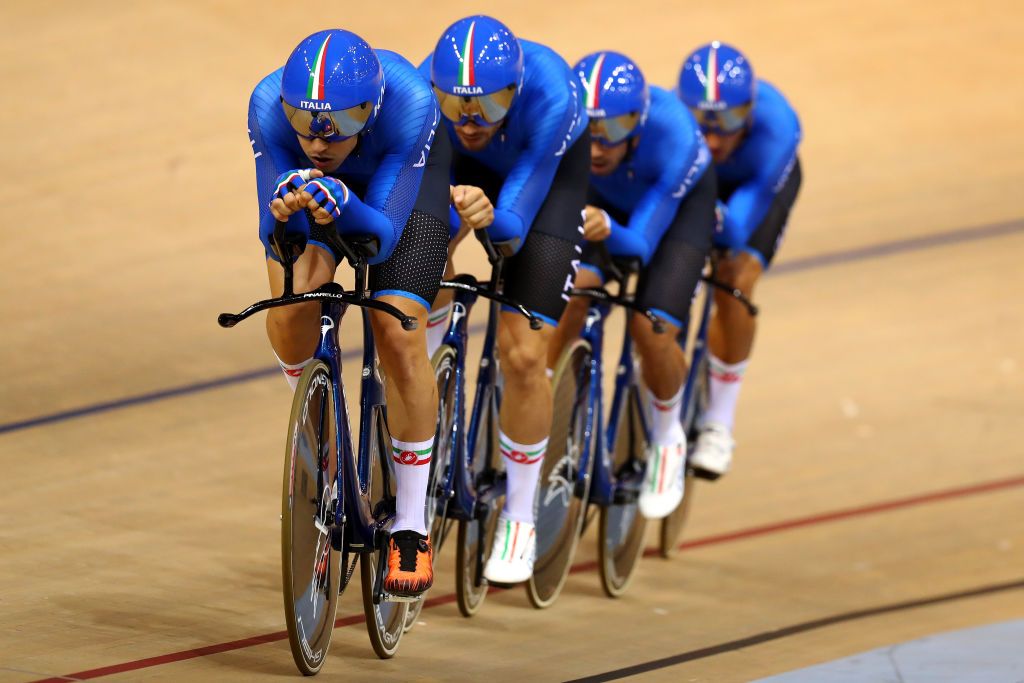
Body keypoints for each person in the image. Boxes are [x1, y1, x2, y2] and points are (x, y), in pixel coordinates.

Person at [247, 29, 452, 597]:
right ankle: (319, 417)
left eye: (339, 124)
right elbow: (275, 237)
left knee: (396, 330)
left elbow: (380, 238)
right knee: (294, 305)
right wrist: (287, 211)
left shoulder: (410, 100)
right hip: (322, 199)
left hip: (400, 201)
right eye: (305, 122)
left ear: (371, 108)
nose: (318, 142)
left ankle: (411, 522)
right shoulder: (266, 106)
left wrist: (344, 204)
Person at [421, 15, 588, 583]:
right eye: (456, 106)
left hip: (542, 188)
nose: (470, 122)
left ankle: (520, 514)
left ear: (514, 94)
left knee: (521, 355)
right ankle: (426, 380)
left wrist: (492, 218)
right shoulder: (429, 101)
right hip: (461, 178)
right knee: (413, 269)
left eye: (488, 107)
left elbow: (514, 223)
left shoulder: (554, 97)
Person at [549, 51, 716, 518]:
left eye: (614, 132)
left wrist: (605, 226)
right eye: (590, 131)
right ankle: (553, 399)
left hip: (675, 218)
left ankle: (667, 439)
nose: (598, 147)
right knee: (572, 291)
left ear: (638, 123)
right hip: (604, 209)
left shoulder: (676, 137)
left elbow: (640, 247)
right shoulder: (565, 130)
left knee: (651, 328)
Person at [677, 41, 802, 479]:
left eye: (728, 123)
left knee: (734, 278)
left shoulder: (778, 128)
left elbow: (737, 226)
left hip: (754, 190)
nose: (712, 139)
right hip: (699, 185)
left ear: (748, 111)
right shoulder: (675, 127)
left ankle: (719, 422)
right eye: (701, 124)